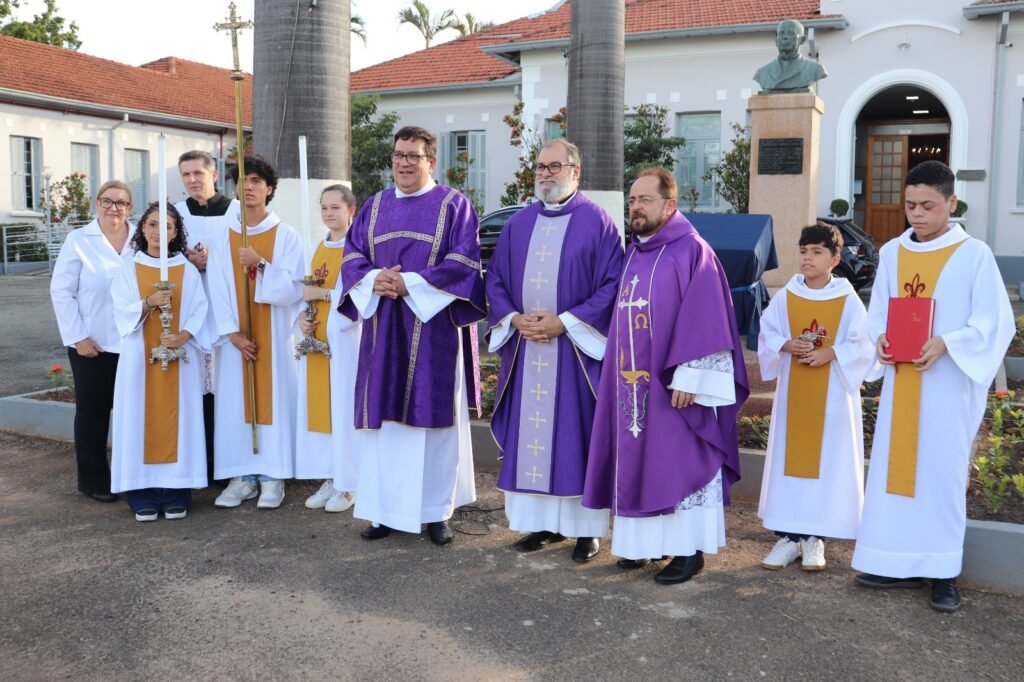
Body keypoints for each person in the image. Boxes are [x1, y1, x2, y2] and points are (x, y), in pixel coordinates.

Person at [852, 160, 1014, 612]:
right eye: (909, 205)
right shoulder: (892, 253)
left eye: (927, 205)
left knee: (941, 475)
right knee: (894, 475)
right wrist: (880, 339)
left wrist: (949, 342)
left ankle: (943, 572)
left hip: (946, 385)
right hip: (903, 381)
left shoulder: (974, 255)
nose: (916, 214)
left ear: (951, 203)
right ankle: (891, 560)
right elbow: (878, 312)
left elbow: (993, 323)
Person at [582, 168, 749, 584]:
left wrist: (693, 375)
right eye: (632, 200)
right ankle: (641, 547)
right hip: (629, 383)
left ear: (669, 205)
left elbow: (708, 316)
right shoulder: (634, 253)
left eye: (645, 200)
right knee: (638, 461)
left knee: (677, 461)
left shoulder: (693, 251)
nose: (636, 208)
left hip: (675, 388)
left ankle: (687, 551)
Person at [339, 125, 486, 545]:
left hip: (433, 328)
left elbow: (463, 263)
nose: (404, 163)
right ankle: (383, 511)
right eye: (399, 155)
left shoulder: (454, 205)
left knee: (432, 426)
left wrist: (412, 285)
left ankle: (435, 513)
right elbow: (351, 256)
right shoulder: (374, 205)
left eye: (414, 156)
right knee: (385, 427)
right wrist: (374, 279)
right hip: (383, 328)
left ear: (431, 162)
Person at [486, 139, 623, 562]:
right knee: (533, 440)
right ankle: (542, 524)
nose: (546, 174)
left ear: (575, 172)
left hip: (574, 354)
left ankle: (586, 532)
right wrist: (513, 319)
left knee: (575, 437)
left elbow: (612, 285)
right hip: (528, 348)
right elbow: (495, 280)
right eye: (540, 167)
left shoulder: (598, 222)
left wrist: (566, 321)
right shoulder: (518, 224)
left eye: (555, 166)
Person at [756, 223, 875, 571]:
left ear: (835, 259)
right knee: (789, 463)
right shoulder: (788, 294)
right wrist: (785, 344)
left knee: (827, 463)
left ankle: (815, 540)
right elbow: (768, 331)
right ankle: (789, 537)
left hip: (833, 398)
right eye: (804, 251)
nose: (808, 258)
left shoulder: (846, 297)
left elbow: (863, 341)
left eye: (817, 252)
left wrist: (832, 353)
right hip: (795, 395)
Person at [206, 155, 305, 509]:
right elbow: (215, 286)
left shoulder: (286, 236)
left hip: (274, 336)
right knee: (236, 401)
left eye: (255, 181)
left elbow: (295, 288)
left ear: (269, 189)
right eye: (242, 180)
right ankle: (241, 476)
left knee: (273, 399)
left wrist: (260, 264)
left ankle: (273, 475)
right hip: (236, 340)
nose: (247, 187)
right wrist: (231, 333)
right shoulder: (223, 235)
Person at [109, 203, 209, 521]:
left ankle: (177, 490)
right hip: (139, 361)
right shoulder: (129, 268)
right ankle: (142, 492)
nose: (157, 231)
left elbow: (199, 310)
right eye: (152, 224)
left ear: (174, 232)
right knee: (137, 419)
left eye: (165, 226)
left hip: (180, 357)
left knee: (182, 422)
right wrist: (147, 303)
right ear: (142, 229)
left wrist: (183, 336)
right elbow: (119, 311)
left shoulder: (186, 269)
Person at [50, 180, 136, 503]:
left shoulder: (141, 238)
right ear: (95, 204)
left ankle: (135, 476)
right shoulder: (78, 240)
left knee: (134, 413)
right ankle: (94, 480)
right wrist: (78, 337)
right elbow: (61, 291)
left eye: (121, 203)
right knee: (93, 413)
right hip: (93, 345)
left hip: (134, 342)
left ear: (130, 208)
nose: (114, 208)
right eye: (107, 201)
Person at [296, 185, 361, 513]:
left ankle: (350, 484)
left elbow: (360, 296)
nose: (328, 213)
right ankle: (331, 475)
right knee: (322, 410)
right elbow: (303, 295)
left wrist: (321, 297)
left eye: (335, 207)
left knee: (343, 408)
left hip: (346, 343)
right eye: (324, 207)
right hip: (317, 342)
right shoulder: (315, 247)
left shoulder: (358, 248)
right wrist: (303, 321)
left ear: (351, 210)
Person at [175, 150, 239, 484]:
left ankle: (225, 460)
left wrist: (212, 263)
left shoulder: (236, 212)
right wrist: (188, 260)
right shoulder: (175, 215)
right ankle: (200, 460)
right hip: (190, 312)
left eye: (198, 173)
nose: (192, 180)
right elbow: (161, 254)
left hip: (226, 309)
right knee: (196, 390)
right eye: (185, 175)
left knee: (226, 388)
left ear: (214, 175)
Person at [752, 20, 827, 94]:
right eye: (781, 34)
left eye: (791, 33)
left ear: (802, 40)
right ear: (776, 41)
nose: (785, 37)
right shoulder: (762, 73)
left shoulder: (815, 69)